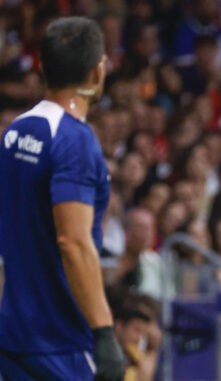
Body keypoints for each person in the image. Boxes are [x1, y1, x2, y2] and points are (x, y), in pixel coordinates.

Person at [0, 17, 125, 380]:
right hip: (62, 342)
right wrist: (103, 332)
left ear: (42, 67)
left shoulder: (15, 132)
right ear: (97, 72)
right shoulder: (75, 140)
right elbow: (73, 241)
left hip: (14, 337)